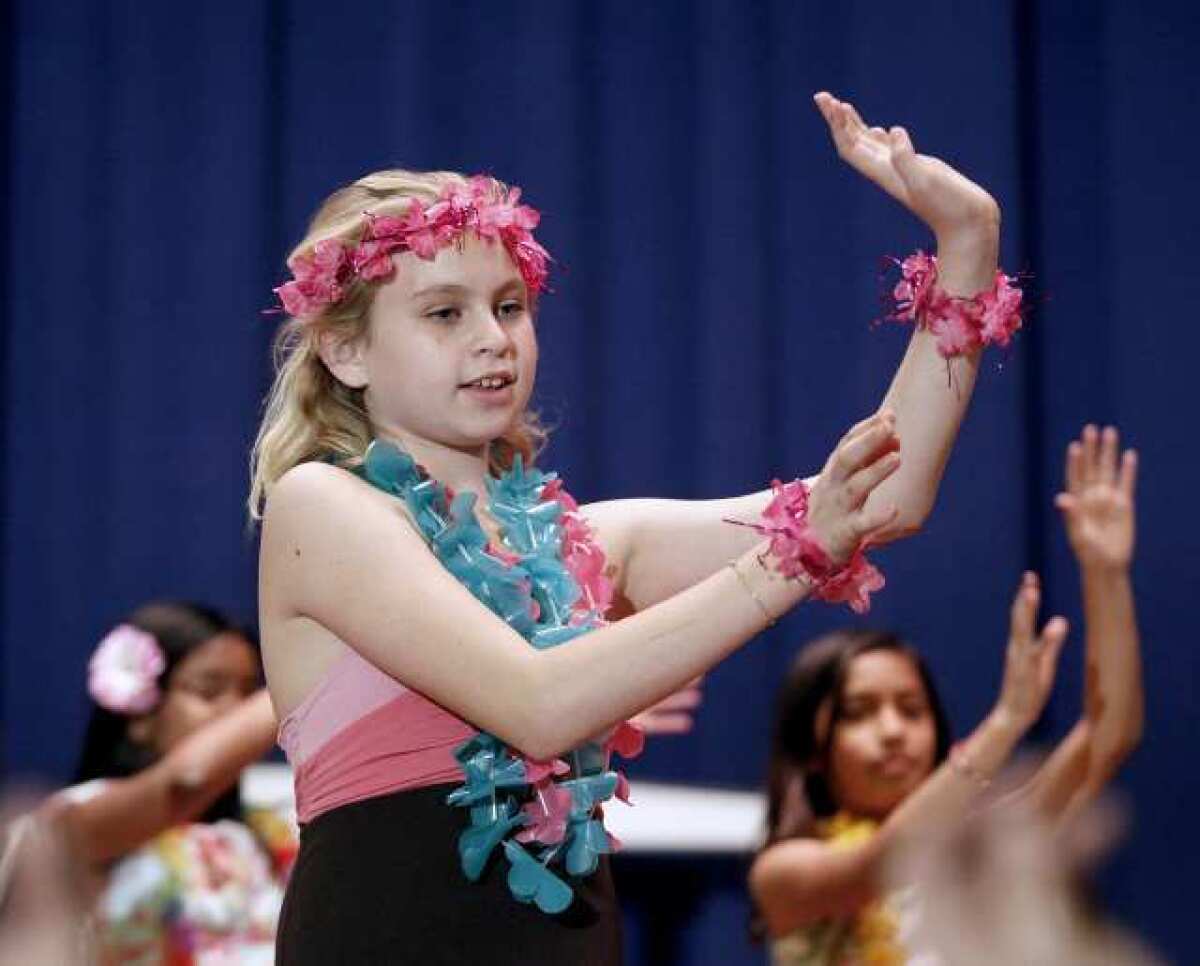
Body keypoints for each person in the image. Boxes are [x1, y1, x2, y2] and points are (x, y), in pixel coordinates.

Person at [251, 91, 1012, 963]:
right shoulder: (323, 506)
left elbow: (888, 495)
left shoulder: (589, 544)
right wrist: (793, 557)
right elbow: (539, 703)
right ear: (346, 352)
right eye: (444, 313)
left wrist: (968, 246)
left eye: (509, 306)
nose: (493, 339)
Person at [749, 425, 1144, 964]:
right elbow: (883, 864)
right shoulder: (784, 871)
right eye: (860, 713)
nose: (893, 731)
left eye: (911, 710)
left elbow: (1109, 733)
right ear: (813, 746)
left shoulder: (974, 854)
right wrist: (1007, 722)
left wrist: (1106, 573)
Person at [36, 602, 285, 963]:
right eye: (209, 690)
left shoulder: (267, 829)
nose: (236, 711)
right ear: (141, 716)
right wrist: (300, 682)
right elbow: (186, 781)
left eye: (248, 691)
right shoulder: (78, 817)